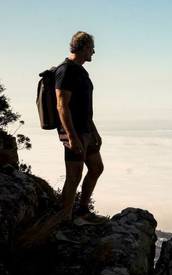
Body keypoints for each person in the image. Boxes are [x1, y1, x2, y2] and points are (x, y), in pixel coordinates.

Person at [55, 31, 104, 224]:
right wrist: (71, 137)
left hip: (86, 130)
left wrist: (93, 130)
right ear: (84, 48)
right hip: (73, 132)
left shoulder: (80, 71)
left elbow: (84, 106)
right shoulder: (65, 70)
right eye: (92, 48)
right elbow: (61, 105)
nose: (93, 51)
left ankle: (83, 210)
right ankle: (63, 219)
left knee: (96, 167)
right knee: (73, 176)